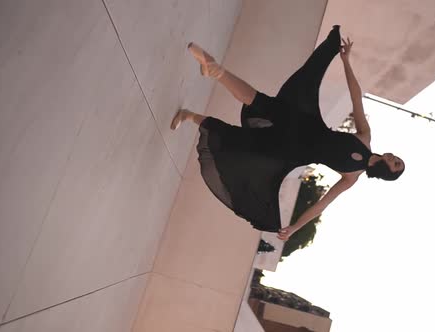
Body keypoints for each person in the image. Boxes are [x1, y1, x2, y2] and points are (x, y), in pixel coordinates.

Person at [170, 25, 405, 241]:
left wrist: (295, 227)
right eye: (398, 159)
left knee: (235, 142)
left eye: (396, 165)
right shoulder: (365, 137)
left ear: (387, 173)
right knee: (256, 100)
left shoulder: (351, 177)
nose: (394, 159)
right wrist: (346, 61)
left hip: (289, 150)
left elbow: (321, 206)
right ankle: (214, 68)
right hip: (305, 121)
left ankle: (190, 115)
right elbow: (356, 98)